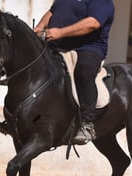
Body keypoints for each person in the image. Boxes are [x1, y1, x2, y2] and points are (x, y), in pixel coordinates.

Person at [34, 0, 115, 143]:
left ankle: (87, 123)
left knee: (83, 71)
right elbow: (52, 12)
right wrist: (39, 28)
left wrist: (60, 32)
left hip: (88, 48)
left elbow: (93, 23)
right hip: (57, 45)